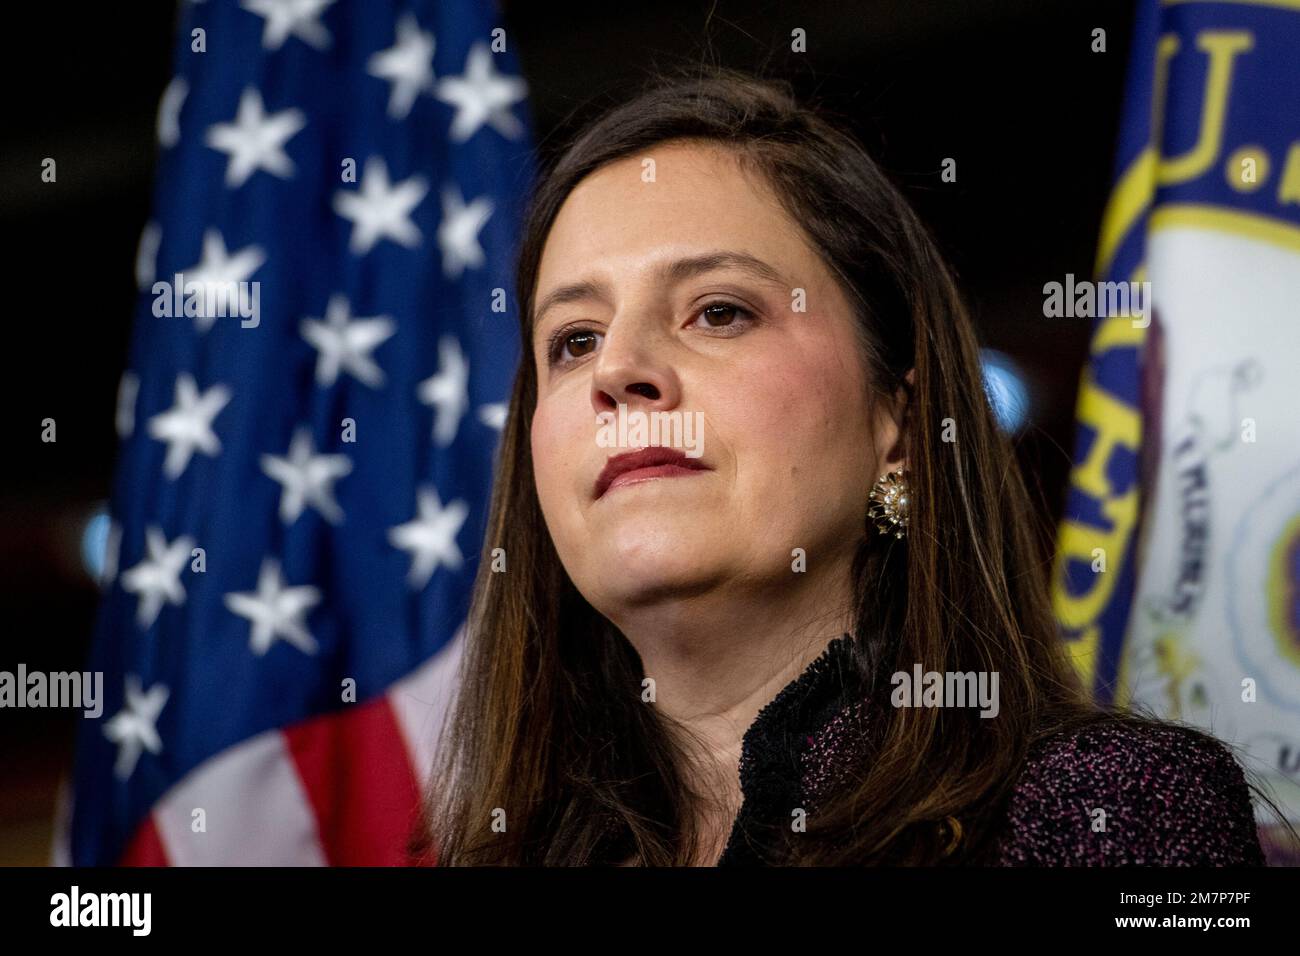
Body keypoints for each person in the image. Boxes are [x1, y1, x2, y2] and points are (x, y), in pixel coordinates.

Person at [410, 68, 1291, 866]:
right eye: (573, 339)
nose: (616, 371)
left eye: (717, 311)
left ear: (897, 425)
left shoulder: (1106, 812)